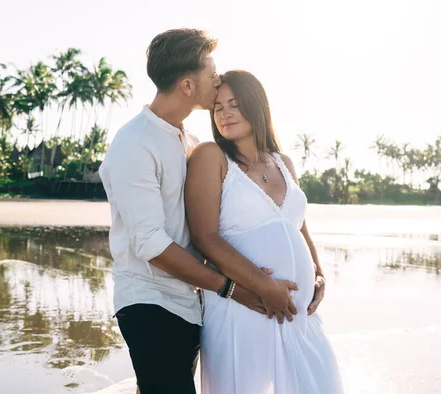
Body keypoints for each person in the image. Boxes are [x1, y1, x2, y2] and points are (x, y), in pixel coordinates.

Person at [99, 29, 299, 394]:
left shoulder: (187, 141)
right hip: (151, 304)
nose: (217, 78)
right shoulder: (135, 144)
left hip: (192, 304)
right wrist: (232, 288)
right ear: (189, 86)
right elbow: (151, 245)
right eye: (211, 72)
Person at [185, 70, 343, 394]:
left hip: (298, 316)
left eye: (235, 104)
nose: (225, 114)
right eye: (218, 107)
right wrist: (265, 286)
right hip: (242, 309)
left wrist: (319, 274)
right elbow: (204, 238)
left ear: (257, 106)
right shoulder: (211, 157)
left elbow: (299, 228)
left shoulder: (283, 161)